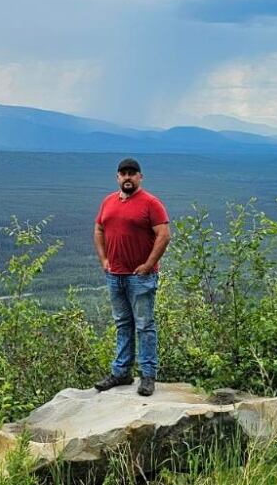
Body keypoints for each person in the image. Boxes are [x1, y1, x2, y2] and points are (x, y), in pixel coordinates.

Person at [93, 158, 170, 396]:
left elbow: (164, 235)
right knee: (123, 324)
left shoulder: (151, 203)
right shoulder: (108, 201)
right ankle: (121, 373)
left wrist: (148, 264)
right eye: (123, 173)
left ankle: (147, 376)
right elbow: (98, 229)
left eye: (132, 173)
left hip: (140, 277)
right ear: (117, 177)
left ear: (140, 177)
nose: (127, 177)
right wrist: (104, 260)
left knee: (145, 325)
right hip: (115, 275)